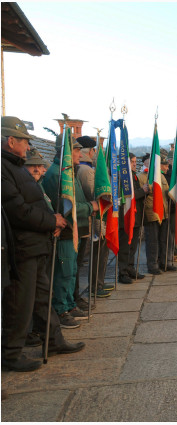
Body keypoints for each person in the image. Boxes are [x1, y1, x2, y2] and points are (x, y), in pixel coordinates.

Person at [2, 116, 85, 372]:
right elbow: (18, 211)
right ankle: (10, 353)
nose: (28, 147)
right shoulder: (4, 169)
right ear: (10, 140)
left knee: (41, 298)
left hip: (35, 245)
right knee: (21, 302)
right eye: (25, 141)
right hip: (22, 248)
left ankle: (53, 340)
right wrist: (52, 221)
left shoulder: (14, 167)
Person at [41, 133, 100, 327]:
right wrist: (91, 207)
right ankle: (61, 309)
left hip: (73, 230)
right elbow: (67, 207)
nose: (79, 154)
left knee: (72, 270)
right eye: (75, 150)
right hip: (65, 231)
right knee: (64, 272)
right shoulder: (57, 174)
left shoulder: (67, 171)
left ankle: (69, 304)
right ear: (65, 151)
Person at [74, 136, 112, 300]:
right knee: (98, 254)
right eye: (95, 150)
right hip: (95, 219)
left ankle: (98, 283)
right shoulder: (87, 170)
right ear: (90, 151)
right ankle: (96, 285)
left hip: (88, 218)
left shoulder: (80, 169)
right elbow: (95, 194)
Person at [138, 149, 171, 274]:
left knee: (163, 239)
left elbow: (166, 190)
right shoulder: (141, 177)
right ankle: (152, 265)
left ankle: (164, 262)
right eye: (148, 162)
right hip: (151, 213)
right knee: (152, 241)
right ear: (145, 163)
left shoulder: (160, 175)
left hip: (164, 211)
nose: (150, 164)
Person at [118, 152, 148, 282]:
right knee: (125, 246)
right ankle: (123, 272)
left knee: (133, 246)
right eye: (132, 162)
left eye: (135, 162)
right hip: (126, 217)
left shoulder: (134, 176)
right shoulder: (121, 177)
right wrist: (143, 191)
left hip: (136, 216)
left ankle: (130, 268)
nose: (135, 164)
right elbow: (128, 196)